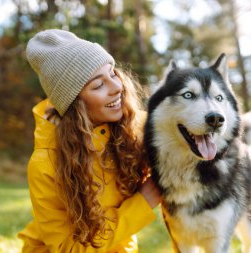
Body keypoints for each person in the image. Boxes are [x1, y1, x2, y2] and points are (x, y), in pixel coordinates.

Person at [18, 29, 161, 253]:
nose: (117, 88)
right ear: (75, 105)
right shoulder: (45, 164)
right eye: (98, 85)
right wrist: (143, 202)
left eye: (113, 74)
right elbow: (68, 248)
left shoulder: (134, 127)